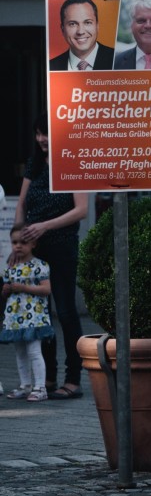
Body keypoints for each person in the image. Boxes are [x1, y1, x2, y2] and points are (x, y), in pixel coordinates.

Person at [13, 120, 87, 400]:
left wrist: (45, 226)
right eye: (38, 133)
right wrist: (18, 241)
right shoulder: (35, 164)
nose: (42, 138)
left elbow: (81, 210)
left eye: (47, 132)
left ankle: (73, 379)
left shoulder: (73, 160)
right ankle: (48, 378)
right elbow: (21, 203)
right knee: (39, 314)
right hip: (36, 252)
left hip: (62, 248)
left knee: (66, 312)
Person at [2, 225, 55, 402]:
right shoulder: (11, 266)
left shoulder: (39, 266)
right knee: (20, 352)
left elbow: (46, 289)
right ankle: (25, 385)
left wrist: (23, 287)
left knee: (34, 351)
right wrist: (7, 289)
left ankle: (40, 388)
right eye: (14, 242)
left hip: (34, 317)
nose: (18, 246)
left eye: (23, 242)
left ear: (33, 243)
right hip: (16, 318)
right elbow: (5, 289)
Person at [49, 0, 115, 71]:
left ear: (97, 26)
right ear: (62, 29)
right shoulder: (50, 66)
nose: (80, 32)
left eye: (87, 23)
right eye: (72, 24)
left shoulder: (118, 60)